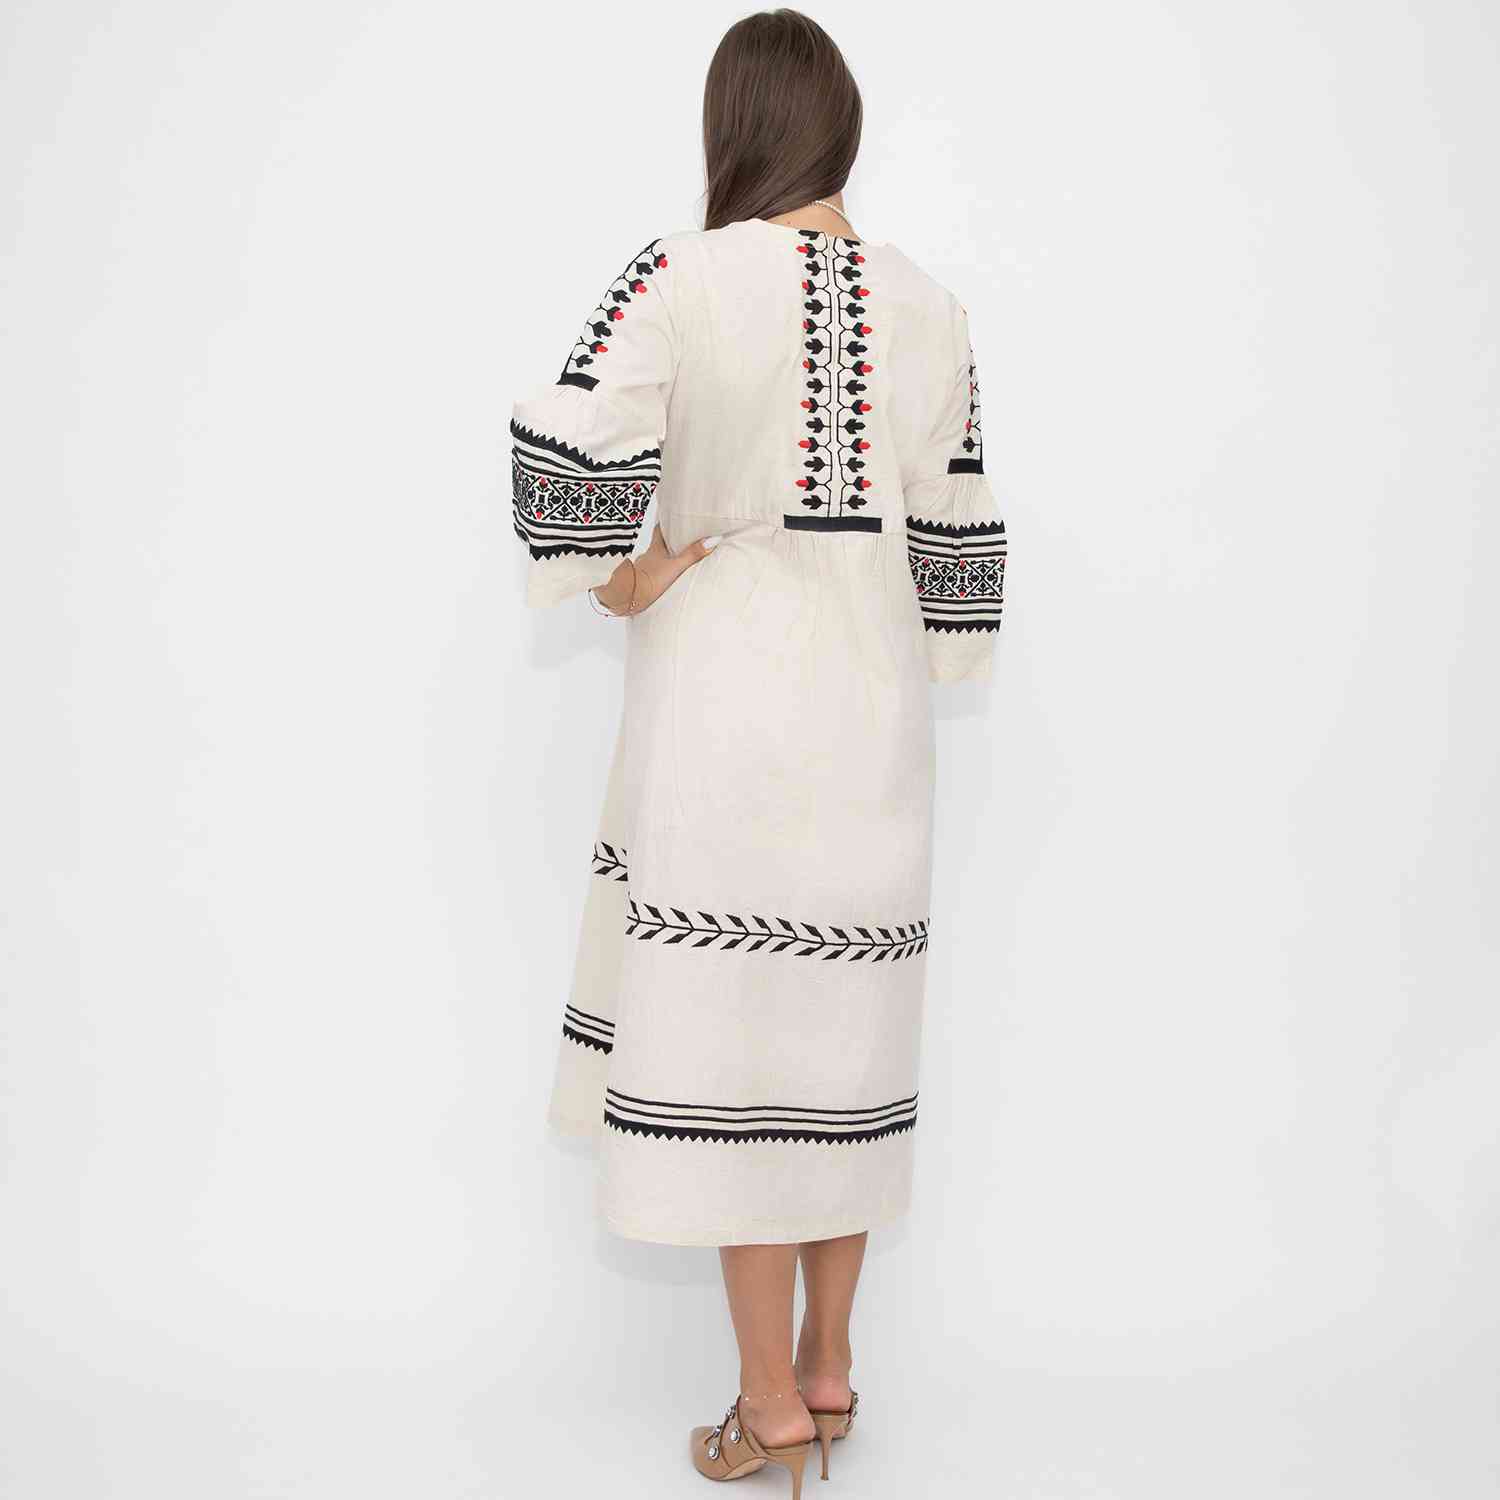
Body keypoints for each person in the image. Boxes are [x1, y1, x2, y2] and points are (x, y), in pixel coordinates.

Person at [510, 11, 1006, 1494]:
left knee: (737, 1057)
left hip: (724, 724)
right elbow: (959, 543)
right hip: (873, 723)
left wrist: (629, 575)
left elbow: (570, 457)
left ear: (733, 127)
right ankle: (831, 1372)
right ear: (840, 126)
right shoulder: (933, 307)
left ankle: (768, 1405)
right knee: (843, 1053)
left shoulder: (680, 275)